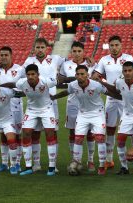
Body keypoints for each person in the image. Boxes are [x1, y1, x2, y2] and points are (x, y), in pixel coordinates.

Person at [52, 65, 120, 175]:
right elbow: (66, 92)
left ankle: (102, 166)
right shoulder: (73, 85)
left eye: (82, 74)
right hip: (82, 114)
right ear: (75, 75)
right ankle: (76, 162)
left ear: (87, 75)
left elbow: (109, 93)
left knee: (99, 138)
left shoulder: (96, 85)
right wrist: (54, 97)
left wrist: (122, 98)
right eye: (78, 74)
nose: (80, 76)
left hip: (97, 114)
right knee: (78, 139)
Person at [92, 35, 133, 169]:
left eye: (117, 45)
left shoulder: (128, 58)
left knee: (132, 130)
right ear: (108, 46)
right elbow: (95, 75)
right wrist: (98, 77)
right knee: (110, 129)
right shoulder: (104, 60)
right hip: (111, 98)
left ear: (121, 45)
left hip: (126, 99)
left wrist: (103, 80)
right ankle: (109, 159)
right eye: (112, 45)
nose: (114, 48)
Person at [23, 38, 65, 172]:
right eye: (37, 47)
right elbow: (21, 76)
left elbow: (71, 62)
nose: (40, 50)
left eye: (42, 47)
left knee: (52, 132)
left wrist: (87, 58)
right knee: (34, 133)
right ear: (34, 48)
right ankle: (36, 164)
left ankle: (54, 164)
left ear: (47, 48)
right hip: (34, 103)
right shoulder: (29, 61)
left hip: (51, 102)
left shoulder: (56, 58)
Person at [12, 64, 58, 176]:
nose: (31, 76)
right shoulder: (21, 82)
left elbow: (59, 80)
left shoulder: (46, 81)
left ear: (38, 74)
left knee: (50, 134)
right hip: (31, 110)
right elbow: (12, 85)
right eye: (28, 74)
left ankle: (52, 167)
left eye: (33, 74)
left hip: (47, 109)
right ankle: (28, 166)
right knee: (26, 133)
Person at [58, 41, 96, 171]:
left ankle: (90, 160)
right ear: (71, 52)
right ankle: (75, 159)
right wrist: (74, 80)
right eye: (74, 51)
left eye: (79, 51)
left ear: (83, 52)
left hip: (89, 103)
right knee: (73, 131)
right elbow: (61, 80)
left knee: (90, 131)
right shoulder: (66, 64)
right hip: (73, 103)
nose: (77, 54)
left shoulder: (91, 64)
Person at [0, 46, 26, 173]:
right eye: (1, 55)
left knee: (17, 135)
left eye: (6, 55)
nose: (3, 57)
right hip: (1, 107)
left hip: (16, 106)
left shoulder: (20, 69)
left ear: (11, 55)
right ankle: (4, 163)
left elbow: (25, 87)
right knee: (3, 135)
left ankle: (17, 163)